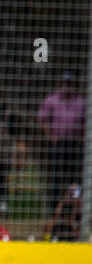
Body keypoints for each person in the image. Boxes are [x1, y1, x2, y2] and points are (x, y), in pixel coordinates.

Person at [37, 72, 86, 217]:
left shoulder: (80, 102)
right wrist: (51, 137)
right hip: (58, 144)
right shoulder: (52, 100)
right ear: (60, 84)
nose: (67, 87)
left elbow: (86, 122)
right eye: (65, 83)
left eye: (70, 84)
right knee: (56, 178)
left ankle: (73, 212)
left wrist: (81, 138)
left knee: (74, 180)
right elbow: (43, 119)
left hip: (75, 144)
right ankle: (54, 212)